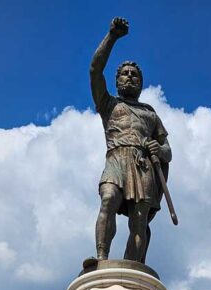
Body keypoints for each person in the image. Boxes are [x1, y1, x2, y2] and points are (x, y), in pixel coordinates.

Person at [90, 17, 172, 263]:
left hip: (142, 164)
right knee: (109, 198)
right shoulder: (109, 104)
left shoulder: (150, 113)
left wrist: (158, 148)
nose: (130, 77)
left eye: (135, 75)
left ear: (141, 82)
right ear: (117, 81)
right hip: (116, 158)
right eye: (125, 74)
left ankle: (133, 266)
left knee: (140, 219)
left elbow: (168, 151)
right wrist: (112, 36)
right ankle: (101, 259)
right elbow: (95, 70)